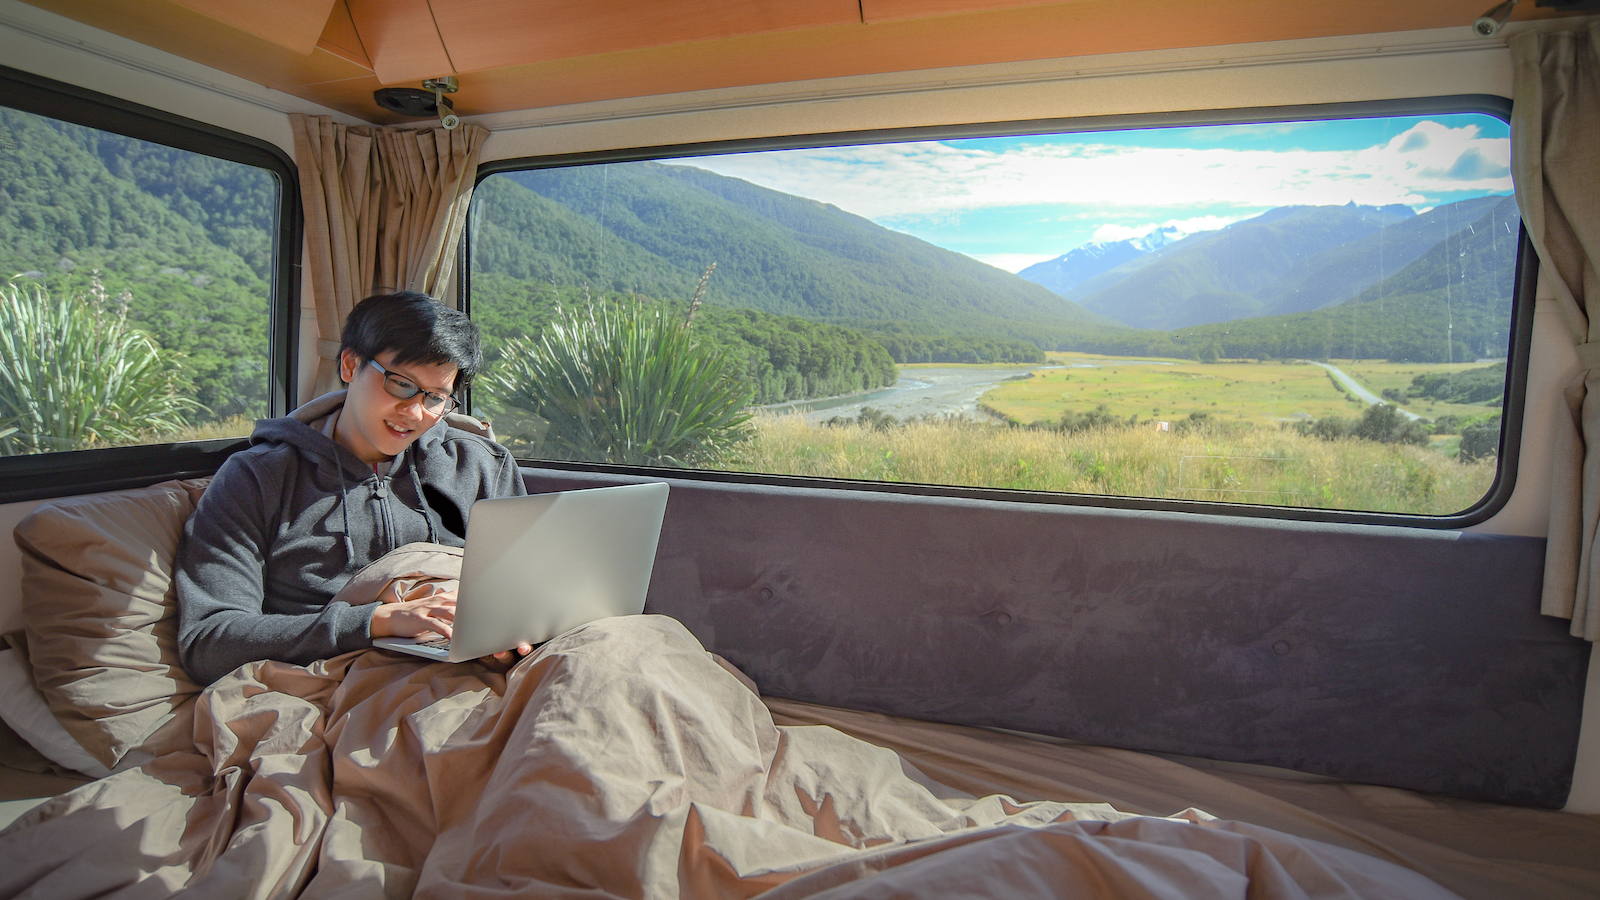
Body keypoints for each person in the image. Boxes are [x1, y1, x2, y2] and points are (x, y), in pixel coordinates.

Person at [176, 291, 528, 685]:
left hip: (477, 669)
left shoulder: (480, 465)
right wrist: (374, 622)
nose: (415, 413)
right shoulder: (258, 478)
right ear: (350, 364)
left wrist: (516, 635)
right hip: (342, 680)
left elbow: (526, 591)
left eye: (436, 398)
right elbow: (208, 643)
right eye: (401, 385)